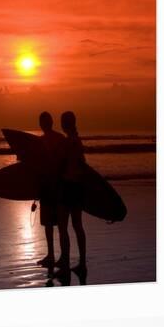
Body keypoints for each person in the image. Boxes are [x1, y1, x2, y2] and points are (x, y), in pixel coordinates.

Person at [55, 111, 87, 278]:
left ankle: (66, 265)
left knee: (63, 226)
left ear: (66, 123)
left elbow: (63, 165)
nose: (61, 124)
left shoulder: (69, 142)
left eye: (62, 121)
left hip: (68, 186)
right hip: (78, 186)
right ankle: (82, 263)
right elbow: (83, 165)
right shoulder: (77, 141)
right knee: (77, 226)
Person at [36, 111, 67, 269]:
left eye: (46, 121)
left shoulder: (60, 139)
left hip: (59, 187)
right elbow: (34, 164)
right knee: (48, 224)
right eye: (42, 122)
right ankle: (51, 255)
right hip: (46, 187)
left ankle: (62, 257)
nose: (45, 124)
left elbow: (66, 162)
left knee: (61, 225)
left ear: (51, 122)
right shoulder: (39, 142)